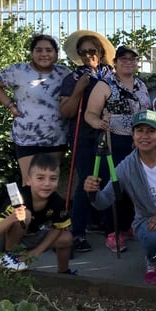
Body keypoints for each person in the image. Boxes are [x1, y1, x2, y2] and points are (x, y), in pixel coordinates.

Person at [83, 110, 156, 286]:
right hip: (150, 225)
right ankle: (152, 260)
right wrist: (92, 192)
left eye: (151, 131)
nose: (145, 136)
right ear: (133, 135)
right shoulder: (125, 167)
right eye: (140, 131)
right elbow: (103, 202)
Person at [84, 45, 151, 253]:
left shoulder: (141, 85)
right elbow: (90, 113)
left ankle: (127, 226)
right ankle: (112, 232)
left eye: (133, 58)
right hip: (113, 142)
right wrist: (97, 124)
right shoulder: (105, 85)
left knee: (134, 187)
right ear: (115, 62)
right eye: (123, 58)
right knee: (113, 188)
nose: (129, 62)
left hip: (137, 143)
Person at [0, 34, 71, 186]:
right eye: (39, 50)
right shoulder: (19, 70)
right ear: (32, 53)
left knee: (48, 184)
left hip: (56, 137)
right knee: (30, 183)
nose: (44, 54)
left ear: (56, 54)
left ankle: (46, 211)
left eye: (49, 50)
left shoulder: (64, 73)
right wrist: (10, 105)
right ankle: (28, 211)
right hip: (27, 137)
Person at [60, 30, 115, 253]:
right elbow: (66, 111)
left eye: (92, 51)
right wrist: (78, 90)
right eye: (83, 52)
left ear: (100, 53)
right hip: (83, 135)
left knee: (107, 179)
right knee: (86, 180)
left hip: (109, 132)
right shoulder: (73, 78)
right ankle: (78, 232)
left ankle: (101, 222)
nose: (88, 56)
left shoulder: (112, 74)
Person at [0, 153, 74, 274]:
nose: (47, 183)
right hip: (0, 239)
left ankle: (64, 274)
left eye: (53, 178)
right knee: (25, 214)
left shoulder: (57, 201)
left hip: (27, 237)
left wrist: (36, 252)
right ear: (29, 180)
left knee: (66, 238)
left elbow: (58, 228)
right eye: (40, 178)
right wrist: (12, 218)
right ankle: (10, 257)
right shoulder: (19, 198)